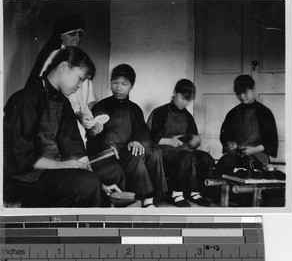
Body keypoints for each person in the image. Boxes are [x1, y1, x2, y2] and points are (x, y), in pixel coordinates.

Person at [3, 46, 119, 207]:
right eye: (79, 79)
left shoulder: (63, 104)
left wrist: (100, 186)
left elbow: (75, 149)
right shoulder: (25, 99)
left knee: (106, 176)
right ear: (64, 66)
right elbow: (21, 158)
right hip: (25, 179)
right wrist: (64, 165)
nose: (80, 86)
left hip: (52, 173)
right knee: (87, 183)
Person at [86, 64, 168, 208]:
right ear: (110, 83)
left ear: (131, 86)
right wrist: (93, 131)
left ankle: (153, 198)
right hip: (105, 153)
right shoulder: (100, 106)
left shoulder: (135, 109)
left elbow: (142, 133)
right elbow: (90, 137)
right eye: (115, 83)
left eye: (124, 84)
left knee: (147, 154)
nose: (118, 87)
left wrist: (137, 141)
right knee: (134, 158)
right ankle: (145, 198)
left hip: (124, 150)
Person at [25, 14, 97, 135]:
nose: (77, 39)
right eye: (72, 34)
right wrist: (77, 115)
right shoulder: (55, 56)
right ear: (61, 36)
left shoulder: (81, 61)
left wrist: (91, 121)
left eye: (79, 34)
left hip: (76, 125)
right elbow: (49, 97)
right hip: (55, 124)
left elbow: (86, 100)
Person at [148, 79, 214, 207]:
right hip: (164, 152)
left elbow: (193, 138)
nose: (185, 102)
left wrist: (196, 141)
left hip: (184, 150)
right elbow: (149, 138)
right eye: (182, 97)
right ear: (174, 92)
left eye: (188, 100)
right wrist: (169, 141)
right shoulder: (160, 112)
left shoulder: (187, 116)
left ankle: (195, 193)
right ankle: (176, 194)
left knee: (205, 158)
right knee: (186, 158)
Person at [216, 74, 278, 178]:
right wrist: (230, 144)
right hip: (237, 154)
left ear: (253, 90)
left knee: (246, 169)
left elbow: (270, 142)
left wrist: (251, 150)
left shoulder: (264, 112)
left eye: (245, 93)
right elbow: (225, 136)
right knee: (224, 164)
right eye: (239, 94)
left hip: (258, 156)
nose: (242, 97)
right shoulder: (233, 113)